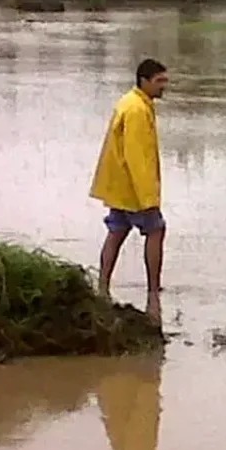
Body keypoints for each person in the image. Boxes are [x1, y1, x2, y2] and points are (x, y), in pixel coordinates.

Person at [90, 58, 169, 323]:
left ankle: (102, 286)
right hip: (134, 190)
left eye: (164, 80)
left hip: (120, 187)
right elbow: (138, 157)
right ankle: (153, 292)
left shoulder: (131, 102)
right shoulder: (137, 110)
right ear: (144, 81)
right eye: (159, 81)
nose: (163, 86)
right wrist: (149, 198)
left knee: (117, 231)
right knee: (156, 230)